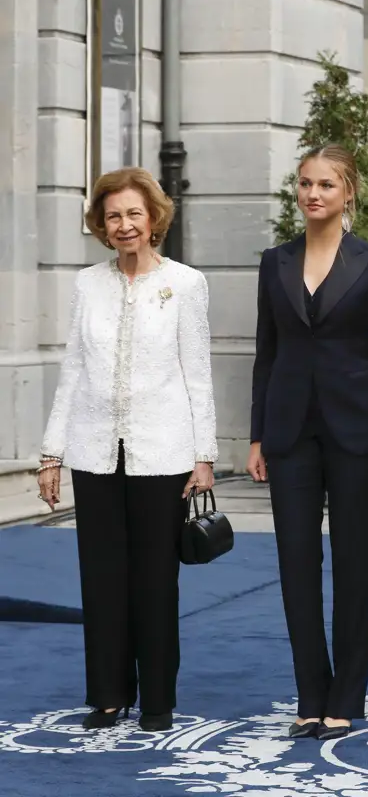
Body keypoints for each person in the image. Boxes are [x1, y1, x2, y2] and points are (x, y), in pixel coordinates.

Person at [37, 167, 217, 733]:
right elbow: (73, 370)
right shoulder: (86, 284)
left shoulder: (186, 284)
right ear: (101, 224)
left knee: (155, 582)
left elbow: (198, 375)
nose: (124, 225)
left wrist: (204, 455)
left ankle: (158, 700)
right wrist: (51, 453)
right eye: (113, 216)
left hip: (161, 454)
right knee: (102, 579)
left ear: (154, 218)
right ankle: (109, 696)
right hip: (94, 453)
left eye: (134, 214)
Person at [248, 144, 368, 741]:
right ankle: (310, 695)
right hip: (289, 431)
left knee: (354, 564)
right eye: (306, 183)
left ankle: (347, 695)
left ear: (348, 193)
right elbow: (266, 355)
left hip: (359, 432)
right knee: (295, 564)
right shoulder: (274, 261)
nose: (313, 194)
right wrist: (258, 433)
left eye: (326, 184)